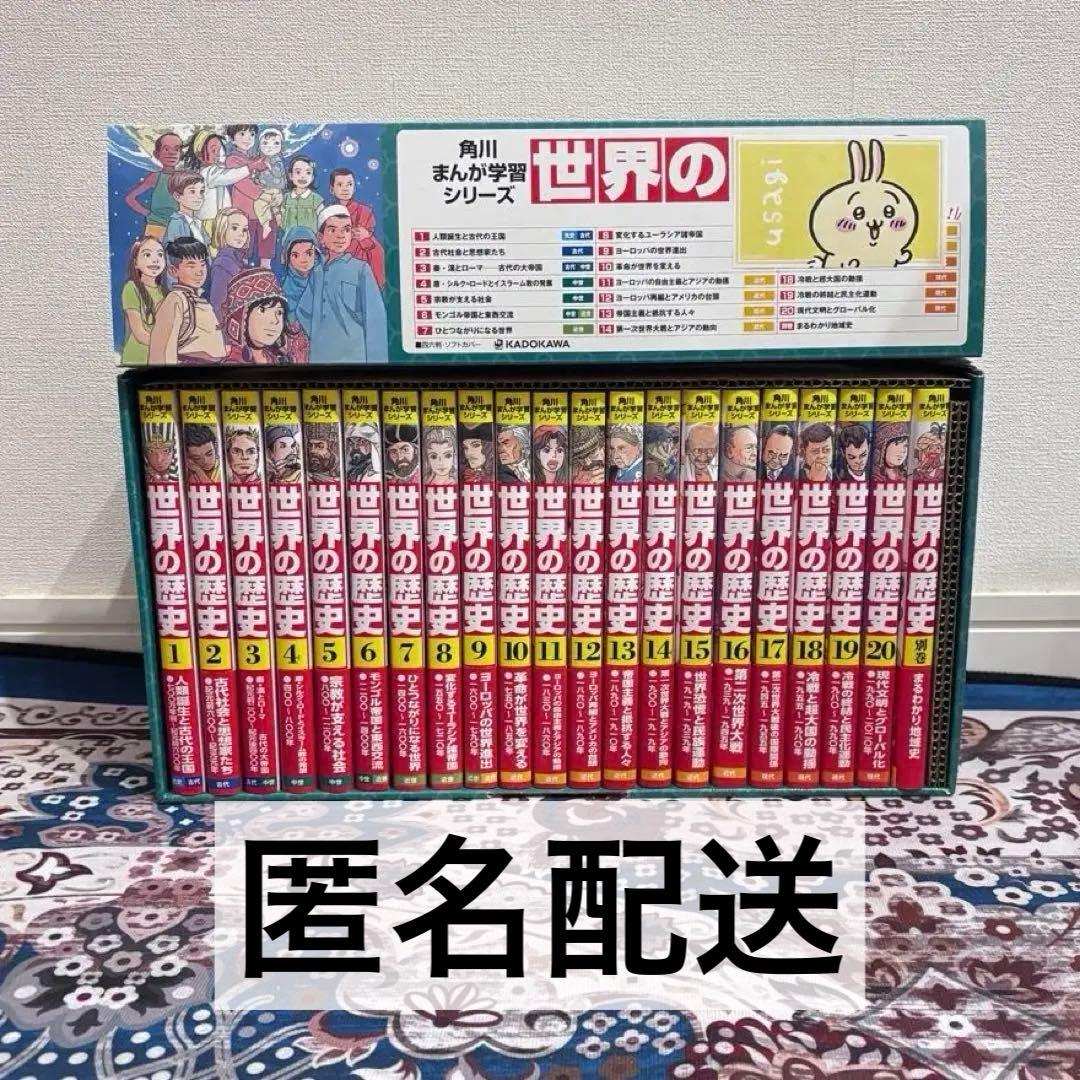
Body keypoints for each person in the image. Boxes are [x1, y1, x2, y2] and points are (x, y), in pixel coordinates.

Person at [296, 205, 387, 364]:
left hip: (355, 357)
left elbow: (376, 319)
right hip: (320, 357)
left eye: (346, 229)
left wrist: (377, 365)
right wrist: (319, 336)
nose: (340, 236)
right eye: (332, 230)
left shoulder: (361, 269)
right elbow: (303, 311)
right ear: (321, 237)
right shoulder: (317, 272)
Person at [148, 238, 227, 365]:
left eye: (202, 264)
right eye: (191, 266)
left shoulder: (200, 300)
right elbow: (162, 350)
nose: (200, 271)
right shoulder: (176, 299)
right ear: (174, 270)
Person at [182, 128, 267, 230]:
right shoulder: (208, 173)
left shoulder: (213, 169)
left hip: (218, 219)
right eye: (213, 150)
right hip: (210, 221)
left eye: (219, 150)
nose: (218, 154)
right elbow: (228, 176)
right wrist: (251, 166)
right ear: (200, 155)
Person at [221, 267, 301, 365]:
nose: (275, 320)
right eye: (262, 310)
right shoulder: (233, 363)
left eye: (279, 312)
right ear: (241, 317)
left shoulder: (282, 359)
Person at [328, 167, 386, 288]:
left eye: (349, 184)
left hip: (358, 259)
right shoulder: (327, 212)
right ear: (332, 189)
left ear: (354, 188)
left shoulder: (364, 211)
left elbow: (370, 243)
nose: (345, 188)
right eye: (340, 185)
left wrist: (365, 237)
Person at [124, 132, 183, 240]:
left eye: (176, 149)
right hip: (156, 227)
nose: (172, 153)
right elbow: (130, 198)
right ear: (156, 154)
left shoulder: (184, 177)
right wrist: (149, 214)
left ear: (181, 154)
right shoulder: (155, 177)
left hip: (179, 227)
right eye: (166, 149)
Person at [119, 236, 166, 366]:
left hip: (160, 357)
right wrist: (167, 344)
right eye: (147, 255)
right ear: (135, 263)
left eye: (160, 254)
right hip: (138, 358)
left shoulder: (165, 293)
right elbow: (140, 333)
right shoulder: (131, 288)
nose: (155, 260)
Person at [280, 225, 319, 363]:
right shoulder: (285, 289)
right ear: (288, 257)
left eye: (309, 253)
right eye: (296, 255)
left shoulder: (323, 281)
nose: (304, 260)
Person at [207, 208, 251, 321]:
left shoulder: (238, 260)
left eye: (245, 230)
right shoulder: (222, 265)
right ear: (222, 229)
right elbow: (217, 305)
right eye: (234, 228)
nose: (241, 234)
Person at [252, 127, 287, 267]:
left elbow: (275, 176)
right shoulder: (262, 160)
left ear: (281, 146)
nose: (270, 147)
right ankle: (278, 221)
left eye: (275, 143)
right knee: (274, 209)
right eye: (265, 143)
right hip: (272, 191)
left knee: (259, 204)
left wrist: (264, 171)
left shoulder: (276, 161)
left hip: (272, 191)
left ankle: (266, 224)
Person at [161, 170, 210, 252]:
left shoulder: (197, 223)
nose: (199, 196)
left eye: (201, 191)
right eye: (192, 192)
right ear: (177, 196)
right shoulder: (177, 223)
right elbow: (174, 254)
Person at [279, 155, 324, 240]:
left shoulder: (316, 200)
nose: (303, 176)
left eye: (308, 173)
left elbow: (323, 221)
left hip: (310, 240)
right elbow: (280, 219)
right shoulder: (285, 198)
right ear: (291, 176)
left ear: (312, 177)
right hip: (289, 239)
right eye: (298, 172)